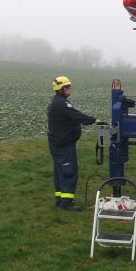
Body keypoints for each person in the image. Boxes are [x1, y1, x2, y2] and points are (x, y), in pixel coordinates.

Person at [47, 76, 96, 211]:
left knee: (59, 170)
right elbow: (75, 115)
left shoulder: (56, 101)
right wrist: (93, 120)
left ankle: (60, 199)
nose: (69, 89)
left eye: (69, 86)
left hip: (58, 141)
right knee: (69, 171)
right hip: (64, 143)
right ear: (60, 89)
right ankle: (67, 203)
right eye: (67, 87)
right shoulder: (62, 103)